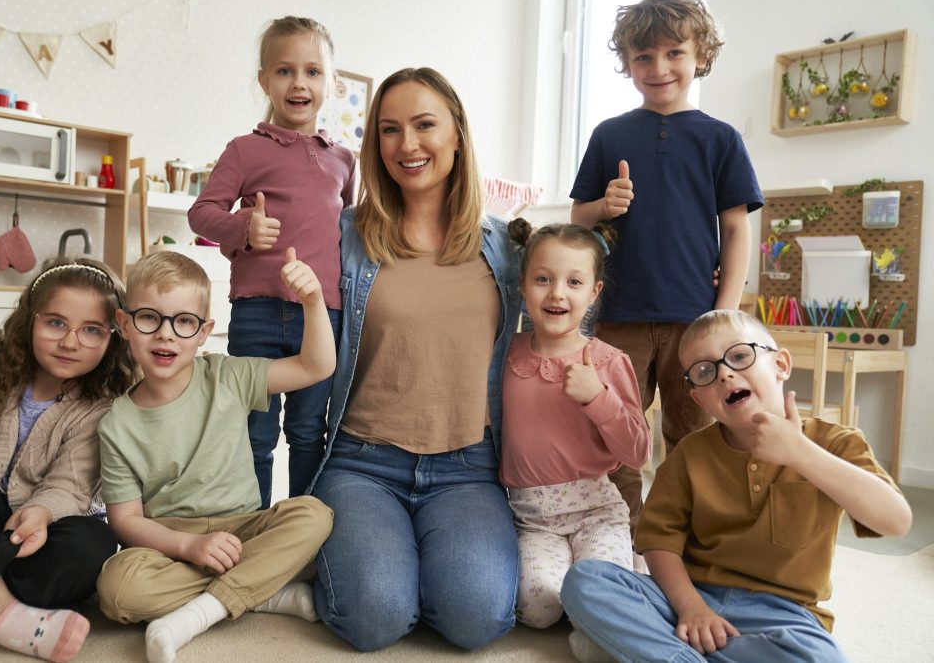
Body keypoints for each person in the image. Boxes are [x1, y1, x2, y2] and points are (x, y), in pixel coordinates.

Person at [307, 67, 522, 652]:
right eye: (390, 130)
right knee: (373, 619)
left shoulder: (505, 245)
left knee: (476, 620)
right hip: (362, 462)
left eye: (425, 125)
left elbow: (570, 313)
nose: (408, 145)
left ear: (457, 134)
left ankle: (413, 570)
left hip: (468, 467)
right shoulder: (346, 235)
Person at [561, 310, 913, 663]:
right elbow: (658, 541)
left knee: (823, 659)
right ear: (699, 399)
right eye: (704, 371)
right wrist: (691, 608)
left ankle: (644, 650)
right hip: (689, 598)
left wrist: (802, 454)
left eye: (740, 356)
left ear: (781, 364)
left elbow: (896, 521)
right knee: (585, 580)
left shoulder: (836, 442)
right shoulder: (691, 453)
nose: (725, 373)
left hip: (783, 615)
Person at [569, 0, 764, 529]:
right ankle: (618, 533)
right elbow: (577, 217)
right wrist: (602, 205)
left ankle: (683, 536)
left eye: (674, 52)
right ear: (627, 63)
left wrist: (723, 316)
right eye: (643, 56)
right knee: (613, 428)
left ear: (700, 55)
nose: (659, 68)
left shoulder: (721, 139)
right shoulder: (609, 134)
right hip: (620, 316)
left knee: (696, 432)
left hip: (695, 321)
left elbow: (735, 229)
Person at [95, 250, 335, 663]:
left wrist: (313, 302)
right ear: (124, 324)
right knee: (116, 589)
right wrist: (189, 546)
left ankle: (199, 613)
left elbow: (315, 367)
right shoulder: (116, 424)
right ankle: (260, 593)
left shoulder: (228, 375)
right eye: (149, 317)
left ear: (204, 331)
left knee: (314, 515)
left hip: (243, 530)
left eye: (184, 322)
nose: (165, 335)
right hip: (171, 544)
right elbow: (126, 521)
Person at [0, 258, 136, 662]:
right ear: (29, 321)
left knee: (94, 546)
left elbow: (72, 483)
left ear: (112, 339)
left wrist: (42, 512)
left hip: (43, 529)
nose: (70, 341)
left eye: (91, 330)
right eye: (55, 323)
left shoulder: (104, 406)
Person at [188, 15, 356, 507]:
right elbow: (202, 214)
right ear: (264, 80)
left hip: (321, 316)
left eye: (312, 72)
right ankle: (256, 528)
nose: (298, 83)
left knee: (309, 433)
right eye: (284, 71)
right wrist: (243, 229)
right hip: (257, 313)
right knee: (255, 437)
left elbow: (346, 232)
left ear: (330, 83)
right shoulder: (243, 151)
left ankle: (300, 533)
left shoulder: (344, 160)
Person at [502, 219, 651, 631]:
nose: (556, 293)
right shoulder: (506, 355)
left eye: (573, 282)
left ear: (593, 291)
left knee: (601, 593)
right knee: (539, 609)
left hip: (596, 510)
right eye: (543, 279)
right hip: (531, 518)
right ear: (522, 284)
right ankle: (607, 589)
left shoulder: (607, 361)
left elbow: (637, 451)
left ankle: (627, 572)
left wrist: (598, 398)